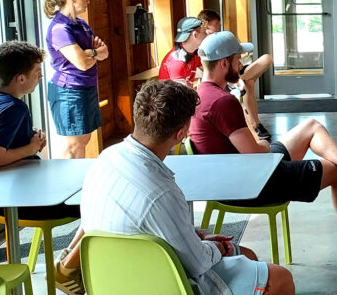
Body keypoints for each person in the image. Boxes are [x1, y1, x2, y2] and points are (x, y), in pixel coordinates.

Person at [190, 31, 337, 262]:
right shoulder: (222, 102)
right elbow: (254, 154)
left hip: (235, 176)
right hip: (253, 184)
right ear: (224, 63)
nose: (241, 64)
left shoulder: (202, 95)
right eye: (238, 58)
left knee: (310, 126)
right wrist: (262, 140)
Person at [81, 81, 294, 295]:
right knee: (280, 278)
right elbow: (197, 264)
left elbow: (143, 228)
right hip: (160, 283)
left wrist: (195, 237)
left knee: (245, 254)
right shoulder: (161, 192)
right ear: (181, 132)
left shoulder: (105, 159)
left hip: (111, 281)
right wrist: (216, 247)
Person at [0, 41, 86, 294]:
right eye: (37, 72)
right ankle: (68, 266)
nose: (41, 76)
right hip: (23, 199)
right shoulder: (15, 108)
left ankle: (69, 262)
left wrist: (29, 140)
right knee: (99, 201)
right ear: (21, 78)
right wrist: (30, 149)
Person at [43, 0, 108, 159]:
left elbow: (105, 52)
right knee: (73, 145)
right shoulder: (59, 29)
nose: (88, 1)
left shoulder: (81, 24)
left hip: (85, 87)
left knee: (84, 138)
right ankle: (67, 184)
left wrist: (90, 52)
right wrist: (93, 54)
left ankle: (78, 182)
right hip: (69, 91)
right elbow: (83, 64)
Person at [194, 9, 272, 142]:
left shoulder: (221, 43)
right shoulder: (205, 49)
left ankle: (241, 81)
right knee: (248, 85)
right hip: (223, 78)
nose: (218, 29)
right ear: (204, 26)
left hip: (235, 74)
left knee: (266, 59)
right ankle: (256, 125)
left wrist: (237, 72)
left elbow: (237, 65)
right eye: (215, 27)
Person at [159, 16, 207, 83]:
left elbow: (208, 71)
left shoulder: (194, 53)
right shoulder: (177, 62)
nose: (206, 34)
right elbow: (179, 93)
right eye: (204, 32)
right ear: (195, 35)